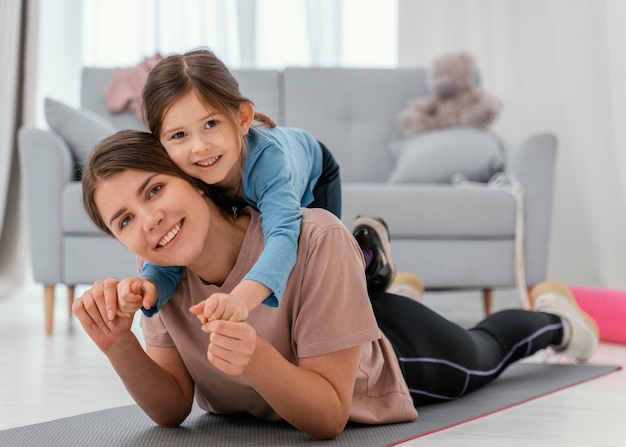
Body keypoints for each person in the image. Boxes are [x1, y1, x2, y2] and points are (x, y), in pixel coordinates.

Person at [74, 130, 599, 440]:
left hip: (387, 357)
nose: (149, 220)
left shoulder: (312, 234)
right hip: (327, 321)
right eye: (124, 220)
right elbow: (171, 409)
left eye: (155, 189)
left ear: (195, 177)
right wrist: (117, 340)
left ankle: (557, 320)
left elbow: (328, 416)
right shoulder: (157, 284)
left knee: (486, 350)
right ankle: (382, 283)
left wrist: (254, 356)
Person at [126, 47, 350, 322]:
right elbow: (174, 236)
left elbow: (282, 235)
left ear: (242, 118)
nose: (200, 147)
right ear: (160, 144)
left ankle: (367, 256)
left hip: (317, 172)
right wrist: (150, 282)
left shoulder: (268, 162)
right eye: (179, 135)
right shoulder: (182, 169)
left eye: (210, 123)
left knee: (318, 264)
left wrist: (241, 298)